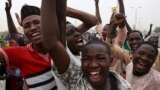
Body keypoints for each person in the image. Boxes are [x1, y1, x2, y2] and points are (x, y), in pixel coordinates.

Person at [40, 0, 132, 90]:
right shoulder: (76, 79)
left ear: (110, 60)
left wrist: (65, 10)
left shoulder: (123, 85)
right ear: (82, 62)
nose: (93, 65)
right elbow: (52, 43)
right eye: (86, 59)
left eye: (100, 58)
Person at [0, 3, 58, 90]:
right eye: (27, 26)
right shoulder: (20, 53)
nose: (32, 28)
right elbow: (13, 33)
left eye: (37, 22)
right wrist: (8, 12)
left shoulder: (59, 45)